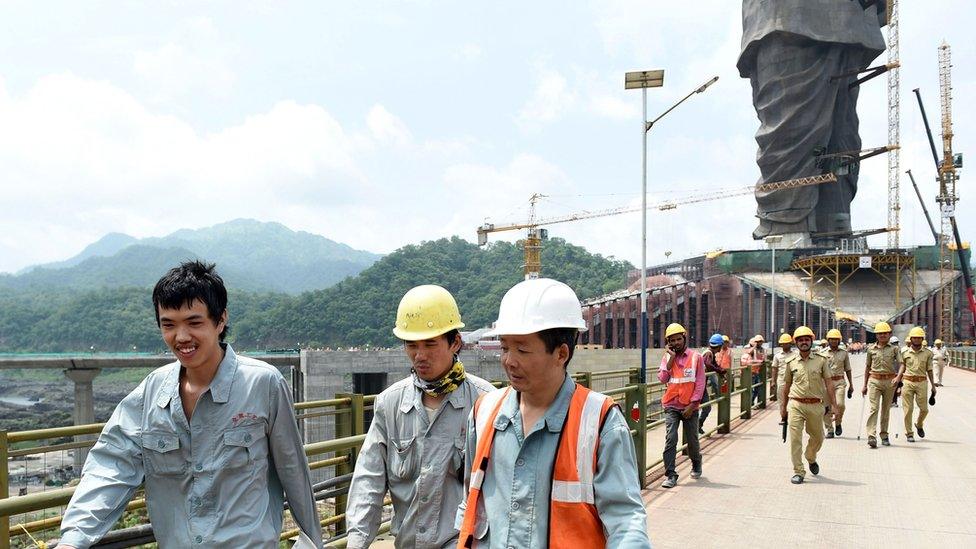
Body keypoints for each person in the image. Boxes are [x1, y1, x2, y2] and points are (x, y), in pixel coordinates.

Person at [57, 261, 322, 549]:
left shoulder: (263, 384)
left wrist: (311, 543)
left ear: (220, 320)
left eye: (194, 323)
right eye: (168, 324)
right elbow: (112, 464)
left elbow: (294, 471)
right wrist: (73, 539)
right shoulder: (151, 392)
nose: (181, 337)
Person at [456, 279, 650, 548]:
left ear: (561, 353)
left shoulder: (600, 421)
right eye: (504, 347)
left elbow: (626, 522)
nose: (509, 360)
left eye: (522, 349)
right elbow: (471, 504)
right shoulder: (484, 412)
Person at [346, 285, 493, 549]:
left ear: (455, 342)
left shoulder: (485, 403)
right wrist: (357, 542)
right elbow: (369, 480)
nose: (420, 355)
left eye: (430, 344)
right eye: (411, 345)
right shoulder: (390, 404)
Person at [737, 0, 886, 242]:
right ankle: (785, 226)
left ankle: (834, 229)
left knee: (842, 143)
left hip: (850, 21)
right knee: (794, 132)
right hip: (790, 19)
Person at [780, 326, 839, 484]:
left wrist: (834, 405)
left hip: (815, 405)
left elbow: (829, 384)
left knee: (818, 437)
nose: (804, 342)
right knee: (795, 439)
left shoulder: (821, 360)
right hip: (796, 404)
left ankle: (810, 457)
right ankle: (798, 471)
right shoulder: (791, 363)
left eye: (806, 340)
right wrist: (783, 408)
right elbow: (786, 386)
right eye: (800, 340)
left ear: (811, 341)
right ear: (796, 343)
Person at [658, 323, 706, 489]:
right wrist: (670, 358)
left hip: (689, 407)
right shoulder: (667, 358)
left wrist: (693, 405)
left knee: (692, 439)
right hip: (671, 405)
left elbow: (700, 383)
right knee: (671, 439)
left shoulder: (696, 358)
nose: (677, 342)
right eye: (673, 340)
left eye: (679, 339)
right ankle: (671, 474)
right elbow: (663, 379)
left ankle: (696, 462)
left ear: (684, 338)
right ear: (668, 342)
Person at [862, 322, 902, 448]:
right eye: (880, 333)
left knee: (885, 410)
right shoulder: (870, 349)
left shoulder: (894, 349)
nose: (882, 335)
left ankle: (884, 435)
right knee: (874, 408)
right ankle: (871, 435)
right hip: (874, 380)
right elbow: (867, 367)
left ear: (889, 334)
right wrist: (864, 385)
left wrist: (898, 377)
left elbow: (902, 364)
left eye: (885, 333)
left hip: (890, 382)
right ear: (876, 335)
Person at [900, 327, 936, 443]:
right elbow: (901, 367)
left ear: (922, 339)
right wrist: (898, 381)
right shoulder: (904, 353)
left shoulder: (928, 353)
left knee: (924, 409)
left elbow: (929, 370)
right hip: (908, 382)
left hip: (922, 382)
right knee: (908, 409)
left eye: (919, 338)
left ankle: (919, 424)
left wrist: (933, 386)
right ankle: (909, 433)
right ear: (911, 339)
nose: (916, 340)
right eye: (914, 338)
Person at [822, 329, 853, 438]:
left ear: (839, 340)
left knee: (840, 405)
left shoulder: (844, 353)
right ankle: (829, 429)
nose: (834, 341)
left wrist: (851, 385)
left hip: (839, 382)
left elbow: (848, 369)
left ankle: (838, 422)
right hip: (826, 383)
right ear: (828, 340)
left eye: (836, 339)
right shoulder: (822, 353)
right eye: (832, 339)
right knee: (826, 407)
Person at [698, 333, 728, 434]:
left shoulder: (710, 353)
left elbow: (714, 365)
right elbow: (709, 364)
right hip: (699, 386)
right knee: (706, 407)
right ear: (719, 346)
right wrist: (720, 371)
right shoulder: (708, 354)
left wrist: (721, 372)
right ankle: (697, 426)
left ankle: (697, 426)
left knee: (705, 407)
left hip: (701, 385)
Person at [741, 335, 766, 408]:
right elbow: (749, 352)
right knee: (751, 388)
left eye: (760, 342)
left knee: (757, 387)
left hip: (756, 371)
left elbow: (763, 358)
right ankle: (749, 404)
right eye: (757, 342)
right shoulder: (748, 348)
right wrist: (754, 346)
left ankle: (751, 402)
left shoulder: (761, 349)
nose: (759, 343)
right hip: (749, 372)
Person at [770, 333, 795, 403]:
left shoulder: (795, 354)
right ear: (781, 344)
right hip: (782, 380)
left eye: (788, 343)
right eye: (784, 343)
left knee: (793, 399)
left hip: (793, 380)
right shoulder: (777, 356)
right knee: (781, 399)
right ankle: (783, 413)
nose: (786, 345)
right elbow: (774, 369)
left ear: (790, 343)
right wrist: (773, 381)